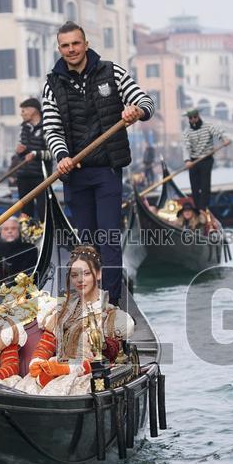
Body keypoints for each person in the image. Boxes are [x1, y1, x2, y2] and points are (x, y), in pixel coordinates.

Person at [42, 21, 155, 304]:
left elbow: (145, 101)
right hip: (75, 173)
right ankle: (89, 301)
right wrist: (62, 156)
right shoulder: (51, 85)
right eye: (65, 46)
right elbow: (52, 129)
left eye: (75, 44)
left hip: (107, 170)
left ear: (86, 44)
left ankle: (112, 304)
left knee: (109, 240)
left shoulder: (112, 72)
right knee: (85, 247)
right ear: (59, 49)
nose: (71, 50)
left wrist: (136, 110)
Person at [15, 246, 134, 396]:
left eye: (86, 273)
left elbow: (108, 360)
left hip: (88, 376)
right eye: (75, 275)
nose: (80, 280)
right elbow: (48, 341)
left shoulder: (111, 317)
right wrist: (37, 360)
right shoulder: (63, 311)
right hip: (54, 370)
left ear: (98, 274)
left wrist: (68, 369)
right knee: (22, 391)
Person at [182, 108, 229, 216]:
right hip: (193, 161)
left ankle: (203, 209)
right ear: (188, 119)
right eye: (191, 118)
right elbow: (186, 147)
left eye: (195, 117)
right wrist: (187, 160)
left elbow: (218, 132)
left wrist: (224, 139)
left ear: (198, 116)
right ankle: (198, 210)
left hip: (206, 160)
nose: (193, 120)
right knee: (194, 187)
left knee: (204, 186)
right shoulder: (186, 132)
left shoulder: (208, 126)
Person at [14, 98, 51, 220]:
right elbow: (23, 154)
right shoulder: (24, 128)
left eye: (24, 111)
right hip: (23, 175)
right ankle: (27, 235)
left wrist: (36, 154)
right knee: (25, 212)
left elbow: (52, 154)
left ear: (33, 110)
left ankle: (45, 231)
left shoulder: (47, 127)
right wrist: (21, 151)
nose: (21, 114)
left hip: (41, 176)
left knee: (43, 209)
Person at [0, 217, 38, 284]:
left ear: (19, 231)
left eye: (13, 228)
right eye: (6, 229)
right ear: (0, 232)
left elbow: (31, 274)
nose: (10, 231)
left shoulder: (30, 249)